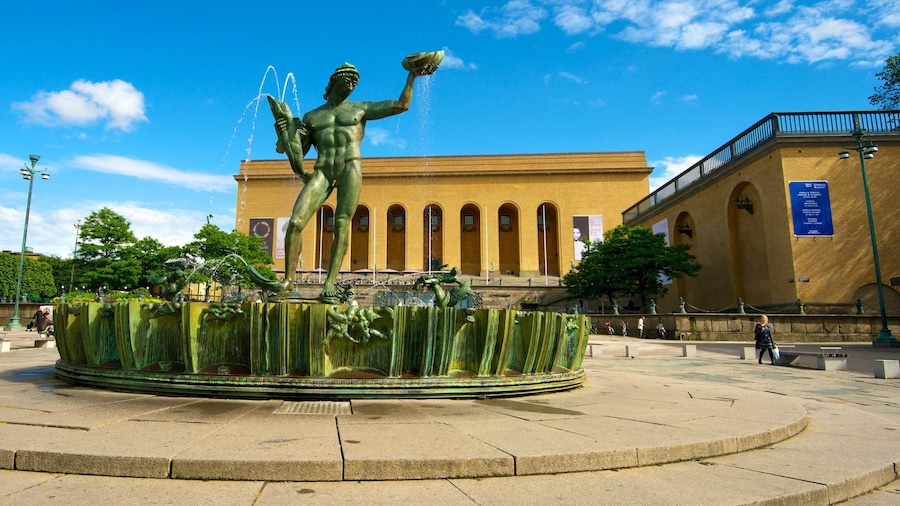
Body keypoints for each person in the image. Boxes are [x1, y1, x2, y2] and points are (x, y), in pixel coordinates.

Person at [269, 59, 432, 301]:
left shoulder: (360, 108)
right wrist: (285, 130)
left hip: (350, 168)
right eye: (348, 79)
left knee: (342, 223)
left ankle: (330, 284)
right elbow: (298, 151)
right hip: (323, 170)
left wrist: (412, 77)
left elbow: (401, 105)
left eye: (356, 81)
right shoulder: (312, 116)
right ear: (334, 80)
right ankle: (288, 280)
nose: (352, 84)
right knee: (295, 222)